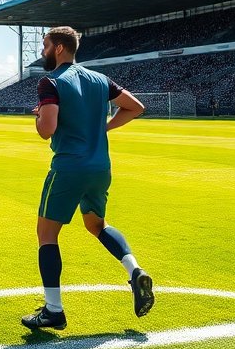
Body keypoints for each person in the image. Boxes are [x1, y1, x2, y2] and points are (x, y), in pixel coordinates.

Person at [22, 26, 153, 331]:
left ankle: (53, 310)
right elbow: (136, 107)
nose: (42, 52)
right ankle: (134, 271)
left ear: (58, 48)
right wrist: (103, 128)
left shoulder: (50, 81)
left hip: (69, 167)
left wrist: (38, 117)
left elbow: (47, 130)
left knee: (47, 235)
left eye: (45, 46)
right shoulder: (100, 79)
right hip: (100, 168)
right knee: (97, 225)